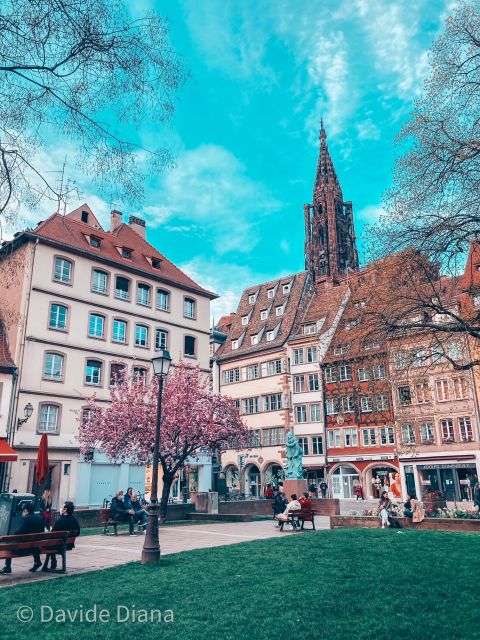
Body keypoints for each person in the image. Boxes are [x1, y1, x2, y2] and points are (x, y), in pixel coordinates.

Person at [0, 502, 44, 574]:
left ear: (26, 511)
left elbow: (17, 532)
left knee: (9, 545)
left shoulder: (25, 519)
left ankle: (7, 567)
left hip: (23, 549)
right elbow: (42, 531)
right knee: (33, 543)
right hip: (35, 548)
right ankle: (37, 561)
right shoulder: (40, 518)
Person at [42, 501, 81, 572]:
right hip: (69, 544)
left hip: (59, 545)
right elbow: (78, 533)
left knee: (50, 543)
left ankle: (52, 562)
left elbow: (52, 535)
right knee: (53, 542)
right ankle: (53, 562)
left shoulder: (60, 522)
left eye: (62, 507)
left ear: (65, 509)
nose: (60, 508)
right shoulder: (74, 520)